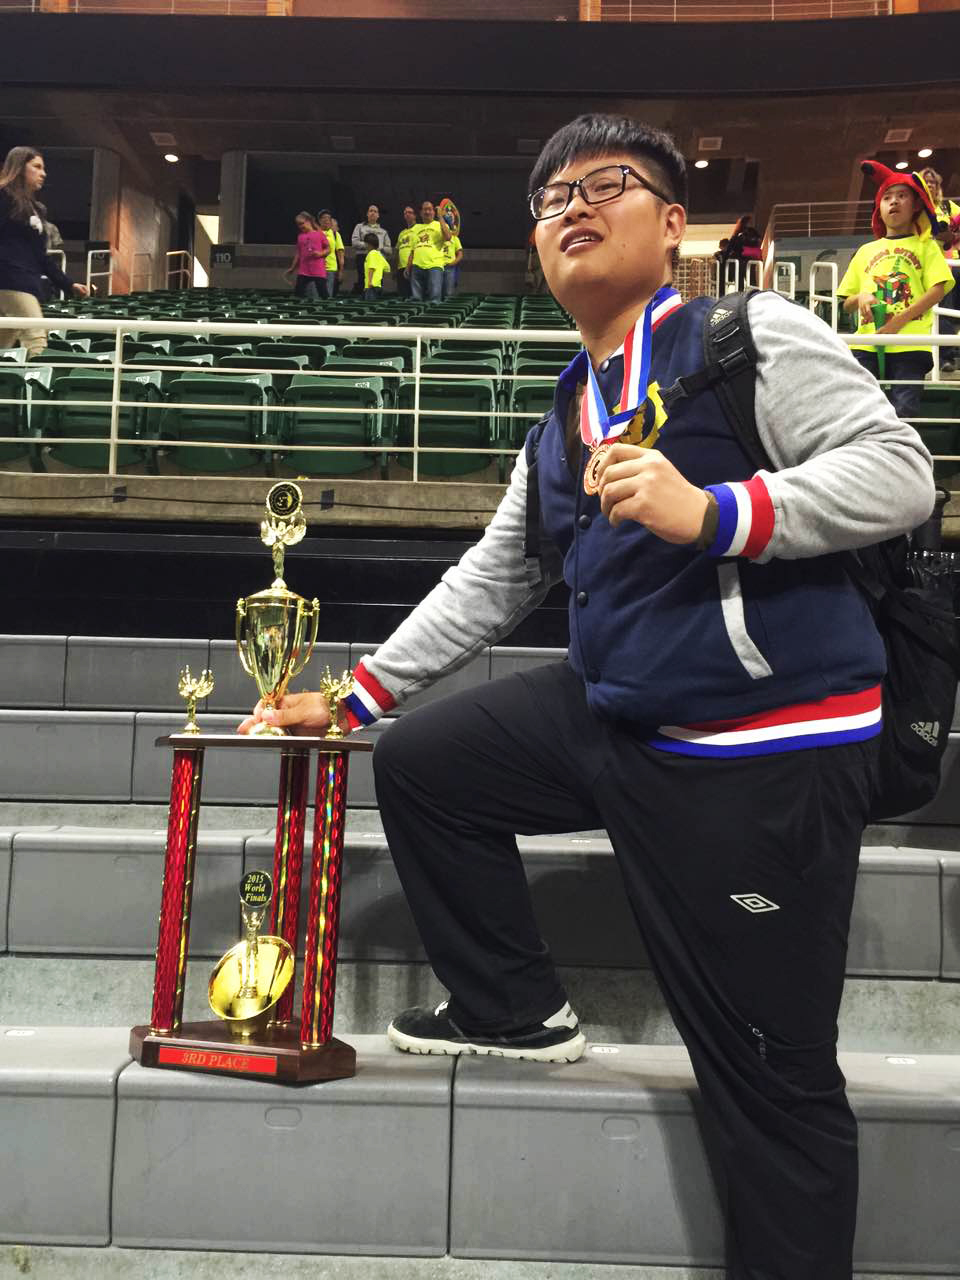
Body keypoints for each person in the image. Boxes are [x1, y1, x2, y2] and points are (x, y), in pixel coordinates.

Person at [240, 113, 935, 1280]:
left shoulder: (749, 334)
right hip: (618, 712)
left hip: (759, 748)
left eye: (606, 183)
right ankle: (512, 1008)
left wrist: (717, 510)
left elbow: (902, 472)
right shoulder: (568, 406)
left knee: (774, 1082)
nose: (572, 203)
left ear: (673, 225)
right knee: (426, 764)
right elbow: (494, 576)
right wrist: (349, 697)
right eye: (552, 194)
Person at [838, 161, 953, 418]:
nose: (894, 202)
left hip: (909, 343)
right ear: (878, 209)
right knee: (860, 411)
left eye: (902, 196)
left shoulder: (925, 246)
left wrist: (898, 322)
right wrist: (861, 297)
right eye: (887, 197)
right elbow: (846, 302)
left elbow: (938, 289)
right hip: (867, 343)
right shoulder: (865, 251)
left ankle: (900, 445)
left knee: (904, 410)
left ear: (916, 205)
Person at [0, 146, 89, 359]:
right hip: (10, 282)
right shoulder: (3, 197)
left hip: (24, 282)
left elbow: (40, 255)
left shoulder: (35, 208)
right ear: (20, 168)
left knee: (3, 344)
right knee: (36, 339)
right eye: (37, 167)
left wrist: (68, 284)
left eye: (43, 168)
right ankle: (38, 380)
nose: (43, 173)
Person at [920, 166, 960, 372]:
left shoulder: (947, 207)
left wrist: (953, 236)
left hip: (955, 264)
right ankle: (946, 356)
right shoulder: (916, 208)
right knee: (942, 311)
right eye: (925, 181)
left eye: (933, 182)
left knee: (952, 312)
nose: (930, 185)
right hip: (930, 267)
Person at [406, 200, 451, 303]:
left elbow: (448, 237)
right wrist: (408, 266)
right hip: (417, 267)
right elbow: (413, 250)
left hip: (434, 266)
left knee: (434, 299)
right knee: (416, 299)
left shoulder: (440, 225)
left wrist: (440, 217)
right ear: (421, 213)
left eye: (430, 209)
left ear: (434, 212)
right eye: (425, 210)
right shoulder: (415, 228)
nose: (427, 212)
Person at [282, 211, 329, 301]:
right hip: (304, 271)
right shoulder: (300, 236)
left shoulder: (319, 234)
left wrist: (320, 253)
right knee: (298, 294)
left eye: (302, 223)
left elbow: (328, 249)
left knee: (323, 294)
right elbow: (298, 254)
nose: (300, 226)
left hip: (318, 270)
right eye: (298, 225)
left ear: (308, 221)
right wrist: (292, 268)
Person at [350, 204, 391, 296]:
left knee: (377, 281)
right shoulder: (360, 227)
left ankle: (376, 299)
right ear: (367, 214)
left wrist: (380, 247)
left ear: (378, 215)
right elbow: (354, 242)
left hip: (378, 258)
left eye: (375, 211)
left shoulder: (383, 232)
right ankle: (363, 299)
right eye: (371, 211)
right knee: (363, 280)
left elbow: (389, 250)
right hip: (363, 257)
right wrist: (369, 246)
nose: (373, 213)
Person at [316, 210, 344, 300]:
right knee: (316, 296)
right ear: (319, 220)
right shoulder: (315, 234)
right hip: (316, 270)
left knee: (327, 296)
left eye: (328, 218)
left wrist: (341, 271)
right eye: (324, 218)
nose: (326, 220)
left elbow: (340, 254)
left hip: (331, 269)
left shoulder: (335, 234)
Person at [362, 232, 391, 301]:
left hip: (370, 286)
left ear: (368, 244)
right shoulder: (379, 255)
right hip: (378, 285)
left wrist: (369, 282)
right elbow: (387, 269)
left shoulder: (371, 254)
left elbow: (371, 268)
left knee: (369, 305)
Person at [395, 205, 417, 297]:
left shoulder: (419, 228)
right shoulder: (401, 233)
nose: (407, 214)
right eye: (405, 213)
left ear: (415, 215)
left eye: (410, 212)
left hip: (414, 266)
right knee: (403, 294)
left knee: (413, 294)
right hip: (401, 267)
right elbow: (397, 250)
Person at [441, 224, 463, 299]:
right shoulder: (436, 237)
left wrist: (452, 263)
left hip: (449, 267)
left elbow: (460, 254)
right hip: (437, 267)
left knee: (448, 292)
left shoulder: (455, 238)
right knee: (436, 291)